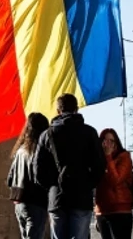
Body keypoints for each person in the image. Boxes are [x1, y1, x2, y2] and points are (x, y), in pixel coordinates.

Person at [33, 94, 105, 239]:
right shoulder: (89, 132)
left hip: (57, 198)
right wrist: (88, 183)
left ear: (58, 111)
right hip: (81, 197)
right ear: (77, 109)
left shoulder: (47, 135)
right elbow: (100, 165)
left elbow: (38, 170)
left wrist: (54, 185)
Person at [7, 113, 51, 239]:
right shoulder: (39, 150)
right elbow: (40, 177)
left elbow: (10, 178)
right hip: (36, 202)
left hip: (20, 202)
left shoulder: (20, 151)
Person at [94, 129, 133, 239]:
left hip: (120, 208)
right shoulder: (98, 159)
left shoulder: (124, 157)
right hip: (102, 210)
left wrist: (108, 157)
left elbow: (115, 180)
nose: (108, 144)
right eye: (105, 141)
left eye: (111, 141)